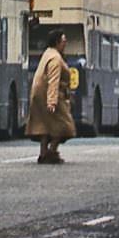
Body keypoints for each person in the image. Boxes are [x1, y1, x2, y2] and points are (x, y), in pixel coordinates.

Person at [26, 29, 76, 164]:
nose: (65, 44)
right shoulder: (55, 59)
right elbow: (53, 80)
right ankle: (51, 151)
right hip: (50, 95)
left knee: (44, 125)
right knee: (64, 125)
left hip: (38, 94)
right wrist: (52, 102)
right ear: (57, 42)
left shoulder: (47, 54)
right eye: (64, 41)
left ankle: (43, 153)